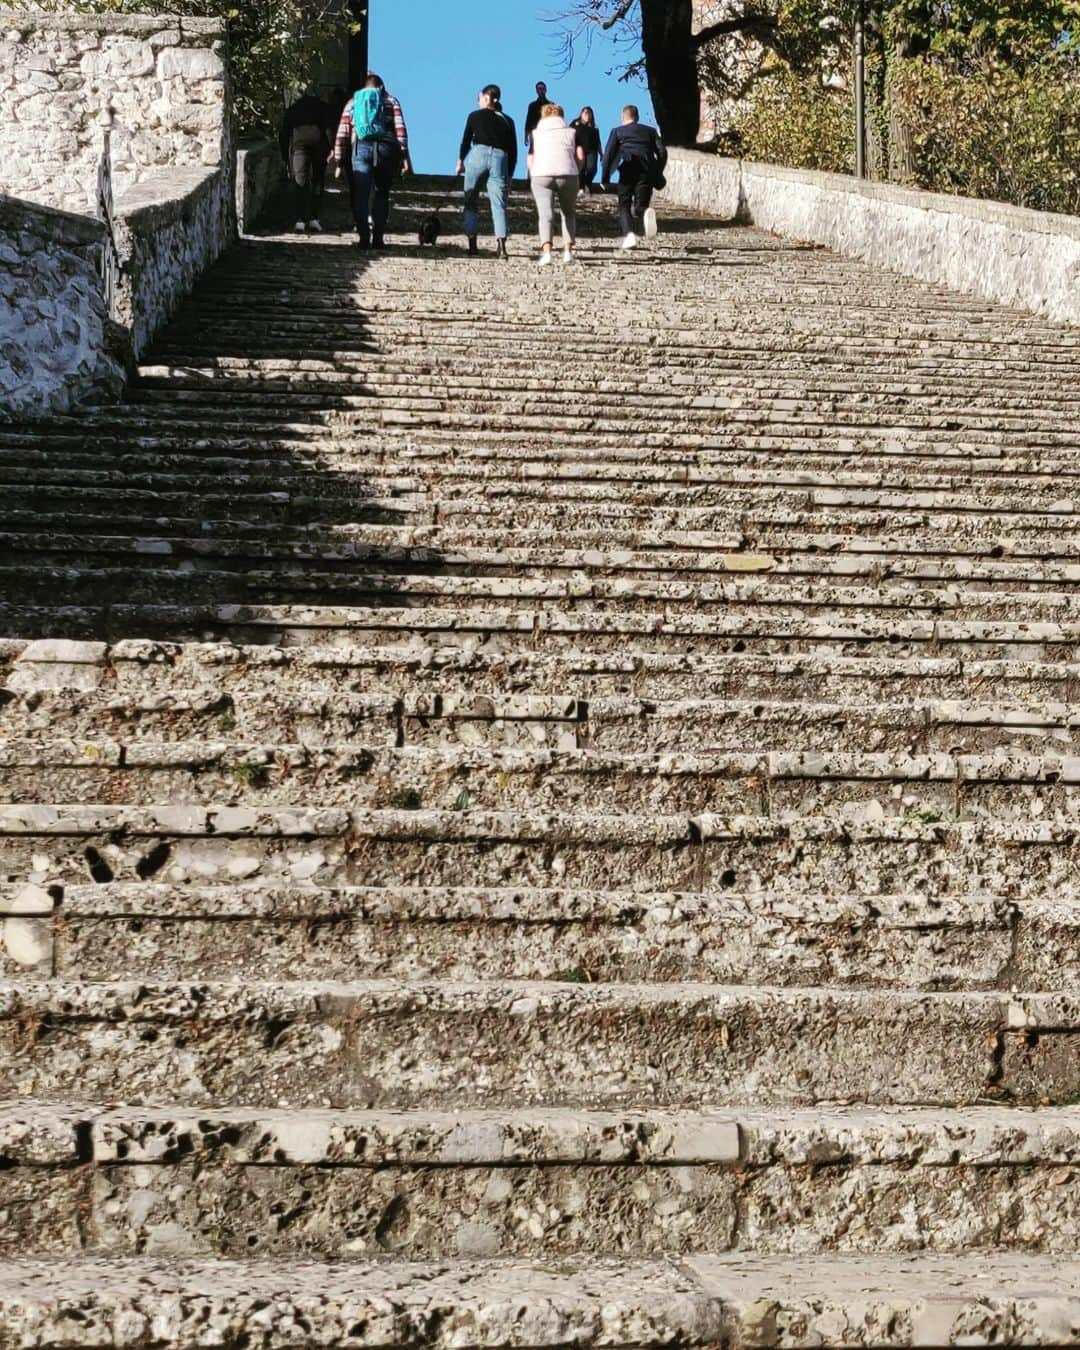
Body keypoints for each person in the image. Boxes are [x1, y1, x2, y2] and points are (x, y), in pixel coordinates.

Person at [334, 73, 411, 249]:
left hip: (360, 147)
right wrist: (403, 155)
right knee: (381, 192)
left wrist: (339, 160)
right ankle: (378, 238)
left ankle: (363, 237)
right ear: (381, 87)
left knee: (361, 195)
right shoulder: (391, 101)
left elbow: (342, 131)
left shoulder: (354, 102)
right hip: (385, 148)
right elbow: (400, 129)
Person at [456, 84, 517, 259]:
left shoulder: (474, 116)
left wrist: (461, 160)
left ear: (485, 97)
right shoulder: (508, 120)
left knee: (470, 199)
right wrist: (510, 173)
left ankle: (472, 243)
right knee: (499, 204)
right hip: (500, 157)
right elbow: (513, 150)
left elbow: (466, 140)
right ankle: (501, 246)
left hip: (479, 154)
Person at [601, 104, 667, 250]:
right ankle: (645, 213)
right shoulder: (650, 131)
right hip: (647, 171)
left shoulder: (617, 132)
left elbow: (608, 156)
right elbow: (662, 152)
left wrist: (605, 178)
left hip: (628, 169)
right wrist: (657, 171)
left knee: (624, 205)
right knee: (640, 206)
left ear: (622, 117)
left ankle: (629, 235)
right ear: (637, 117)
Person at [528, 103, 583, 267]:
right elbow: (580, 155)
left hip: (542, 174)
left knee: (545, 215)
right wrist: (576, 170)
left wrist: (533, 173)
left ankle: (547, 253)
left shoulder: (536, 134)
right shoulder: (572, 132)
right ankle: (567, 252)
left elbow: (530, 158)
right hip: (568, 173)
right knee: (568, 213)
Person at [280, 89, 331, 232]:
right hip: (320, 145)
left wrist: (285, 155)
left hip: (299, 146)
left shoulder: (293, 109)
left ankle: (300, 220)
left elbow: (284, 134)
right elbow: (328, 130)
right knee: (318, 180)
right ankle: (314, 218)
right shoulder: (322, 107)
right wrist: (331, 148)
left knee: (300, 181)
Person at [571, 106, 602, 194]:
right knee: (581, 169)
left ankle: (587, 183)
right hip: (579, 150)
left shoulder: (594, 128)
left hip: (592, 151)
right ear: (581, 114)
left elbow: (598, 141)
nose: (587, 115)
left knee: (592, 169)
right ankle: (581, 188)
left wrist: (601, 153)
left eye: (589, 113)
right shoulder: (575, 123)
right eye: (585, 113)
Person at [524, 81, 549, 152]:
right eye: (539, 89)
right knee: (534, 151)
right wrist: (526, 136)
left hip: (547, 132)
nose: (541, 90)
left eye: (542, 88)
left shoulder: (550, 105)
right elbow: (528, 121)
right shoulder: (532, 105)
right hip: (534, 132)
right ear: (536, 91)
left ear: (545, 90)